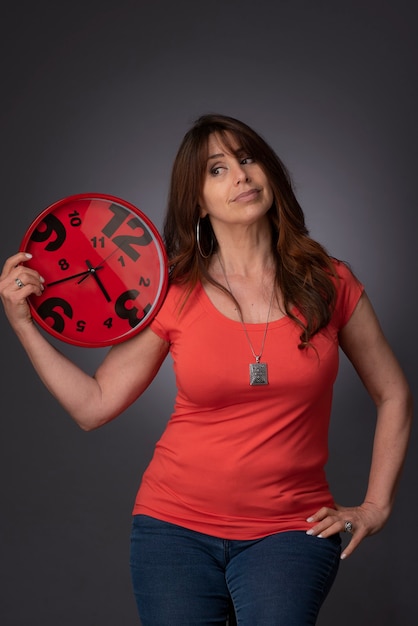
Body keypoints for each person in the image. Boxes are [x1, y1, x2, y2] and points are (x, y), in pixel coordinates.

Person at [0, 114, 413, 626]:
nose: (240, 176)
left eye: (246, 159)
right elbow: (94, 405)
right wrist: (23, 326)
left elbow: (393, 393)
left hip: (288, 528)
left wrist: (374, 507)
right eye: (217, 170)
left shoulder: (330, 282)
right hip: (172, 529)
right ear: (197, 201)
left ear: (268, 172)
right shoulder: (172, 291)